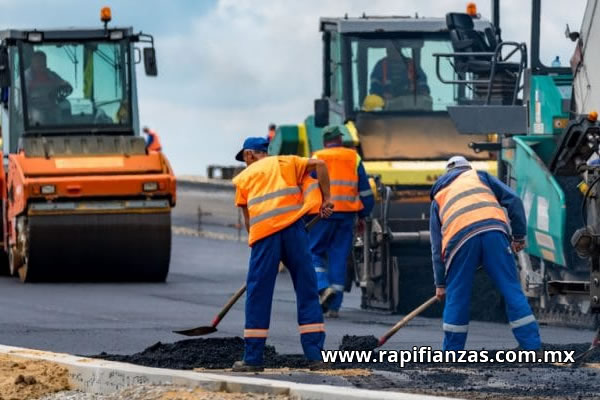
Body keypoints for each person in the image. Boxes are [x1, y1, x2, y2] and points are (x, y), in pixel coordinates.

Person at [231, 136, 334, 372]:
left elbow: (249, 221)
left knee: (258, 293)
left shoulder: (244, 178)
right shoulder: (286, 162)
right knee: (307, 289)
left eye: (245, 158)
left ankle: (253, 358)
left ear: (249, 155)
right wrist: (327, 198)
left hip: (265, 236)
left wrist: (260, 253)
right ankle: (316, 356)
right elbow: (320, 165)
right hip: (294, 231)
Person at [430, 156, 541, 351]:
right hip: (494, 233)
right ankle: (531, 347)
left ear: (447, 174)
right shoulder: (480, 176)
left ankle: (452, 353)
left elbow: (436, 245)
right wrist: (519, 236)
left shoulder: (439, 195)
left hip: (459, 241)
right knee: (511, 289)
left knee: (457, 295)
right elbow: (513, 200)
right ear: (467, 168)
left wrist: (441, 284)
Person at [308, 125, 374, 318]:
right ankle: (334, 307)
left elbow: (308, 186)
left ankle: (322, 287)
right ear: (340, 139)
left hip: (321, 215)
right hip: (346, 215)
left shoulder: (316, 156)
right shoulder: (354, 157)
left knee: (313, 252)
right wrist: (364, 215)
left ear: (324, 141)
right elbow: (365, 192)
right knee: (339, 257)